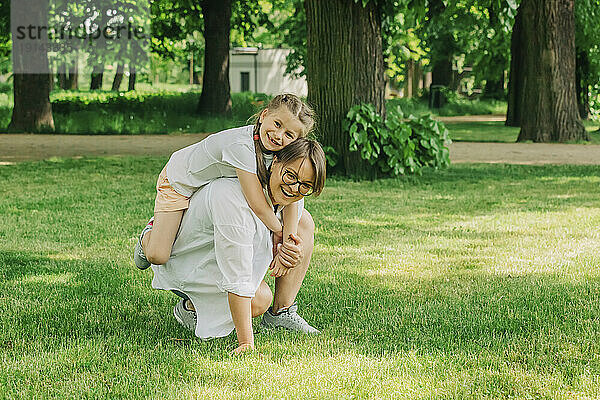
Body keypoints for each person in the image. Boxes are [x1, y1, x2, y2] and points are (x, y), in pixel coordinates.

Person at [151, 139, 326, 354]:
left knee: (303, 221)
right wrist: (246, 342)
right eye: (290, 176)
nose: (294, 188)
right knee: (259, 299)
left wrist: (289, 248)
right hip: (187, 262)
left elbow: (294, 202)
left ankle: (281, 313)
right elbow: (238, 274)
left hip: (222, 252)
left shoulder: (284, 184)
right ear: (276, 161)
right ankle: (191, 306)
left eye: (305, 185)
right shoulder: (231, 196)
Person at [134, 94, 315, 278]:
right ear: (264, 115)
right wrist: (278, 231)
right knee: (158, 255)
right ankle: (148, 235)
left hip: (209, 184)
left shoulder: (278, 152)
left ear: (297, 142)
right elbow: (257, 204)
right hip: (179, 182)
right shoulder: (241, 146)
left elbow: (292, 197)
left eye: (289, 134)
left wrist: (288, 242)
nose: (278, 135)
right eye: (277, 124)